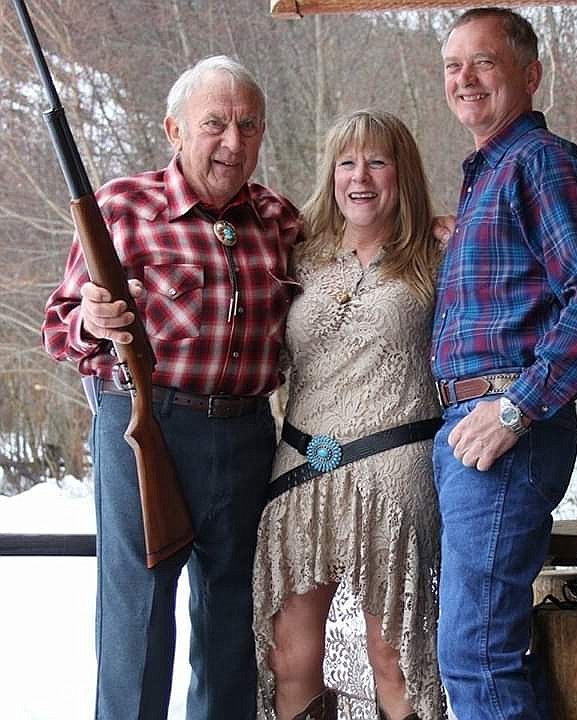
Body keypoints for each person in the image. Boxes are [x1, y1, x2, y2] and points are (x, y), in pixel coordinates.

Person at [41, 56, 301, 720]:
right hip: (144, 431)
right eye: (214, 123)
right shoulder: (122, 208)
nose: (233, 143)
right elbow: (58, 328)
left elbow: (346, 276)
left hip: (247, 436)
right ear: (174, 129)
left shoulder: (280, 219)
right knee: (139, 627)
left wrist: (424, 235)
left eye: (248, 125)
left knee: (232, 629)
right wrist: (92, 321)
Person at [432, 8, 577, 720]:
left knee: (477, 653)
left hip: (504, 428)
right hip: (470, 428)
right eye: (454, 66)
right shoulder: (489, 173)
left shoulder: (541, 161)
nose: (465, 78)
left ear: (529, 72)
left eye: (483, 62)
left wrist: (517, 408)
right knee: (478, 648)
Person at [252, 109, 445, 720]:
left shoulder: (438, 256)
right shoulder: (296, 254)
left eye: (377, 161)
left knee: (394, 656)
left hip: (395, 469)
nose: (360, 176)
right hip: (301, 467)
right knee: (289, 657)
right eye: (347, 162)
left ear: (403, 174)